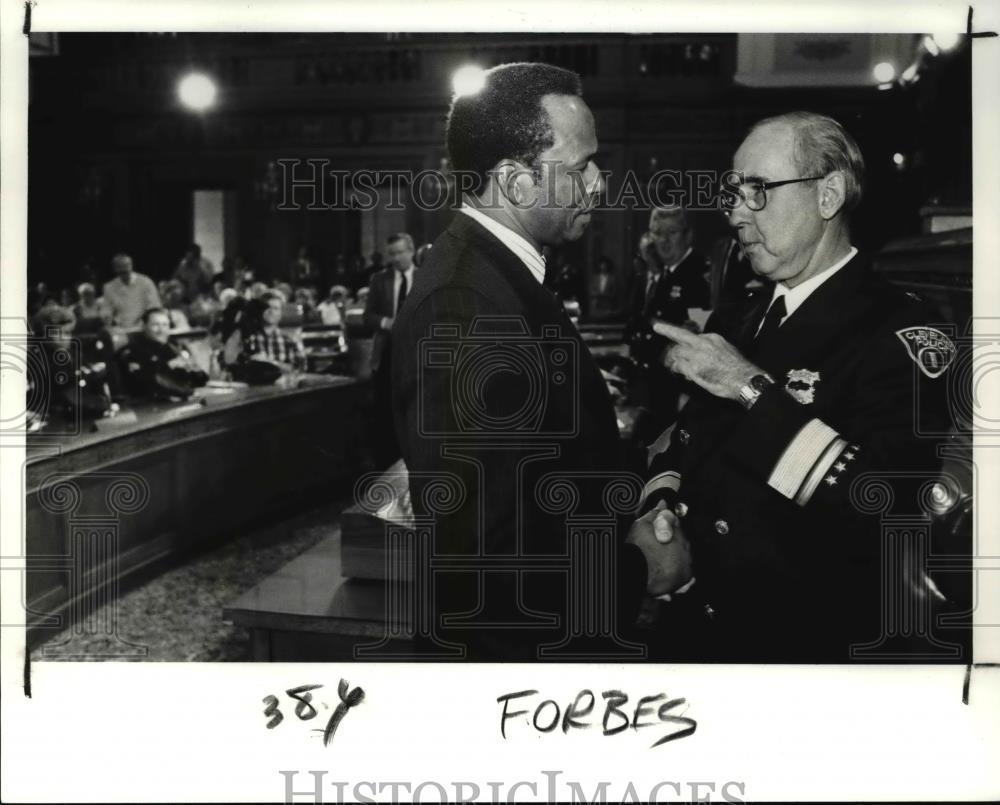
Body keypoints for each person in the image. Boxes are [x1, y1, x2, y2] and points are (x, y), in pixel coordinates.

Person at [639, 111, 956, 662]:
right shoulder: (735, 320)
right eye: (733, 192)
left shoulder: (900, 330)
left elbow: (881, 502)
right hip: (696, 631)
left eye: (758, 190)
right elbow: (681, 440)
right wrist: (662, 508)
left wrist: (750, 387)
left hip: (802, 647)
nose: (736, 212)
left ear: (828, 195)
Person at [391, 62, 679, 660]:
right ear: (515, 182)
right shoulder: (467, 306)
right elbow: (483, 566)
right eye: (579, 169)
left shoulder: (502, 274)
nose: (600, 184)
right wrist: (637, 569)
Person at [364, 232, 416, 468]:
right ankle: (386, 465)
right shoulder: (379, 280)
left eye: (400, 252)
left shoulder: (428, 276)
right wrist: (388, 323)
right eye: (391, 253)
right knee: (385, 410)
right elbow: (368, 317)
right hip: (387, 353)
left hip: (417, 354)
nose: (395, 258)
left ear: (411, 251)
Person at [119, 308, 208, 401]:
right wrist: (168, 365)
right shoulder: (134, 350)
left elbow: (200, 381)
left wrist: (194, 369)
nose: (161, 330)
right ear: (144, 326)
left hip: (182, 400)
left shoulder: (173, 347)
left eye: (165, 325)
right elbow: (144, 381)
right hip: (150, 406)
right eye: (155, 325)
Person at [241, 290, 306, 373]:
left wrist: (270, 363)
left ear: (281, 313)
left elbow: (300, 368)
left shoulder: (291, 338)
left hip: (285, 384)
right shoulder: (248, 337)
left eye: (276, 308)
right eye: (267, 307)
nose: (271, 311)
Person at [102, 253, 162, 329]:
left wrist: (144, 323)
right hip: (121, 329)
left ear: (131, 265)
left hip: (144, 328)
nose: (123, 269)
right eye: (119, 266)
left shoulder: (146, 282)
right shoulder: (109, 287)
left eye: (126, 265)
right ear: (114, 269)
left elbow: (154, 307)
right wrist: (108, 320)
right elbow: (106, 310)